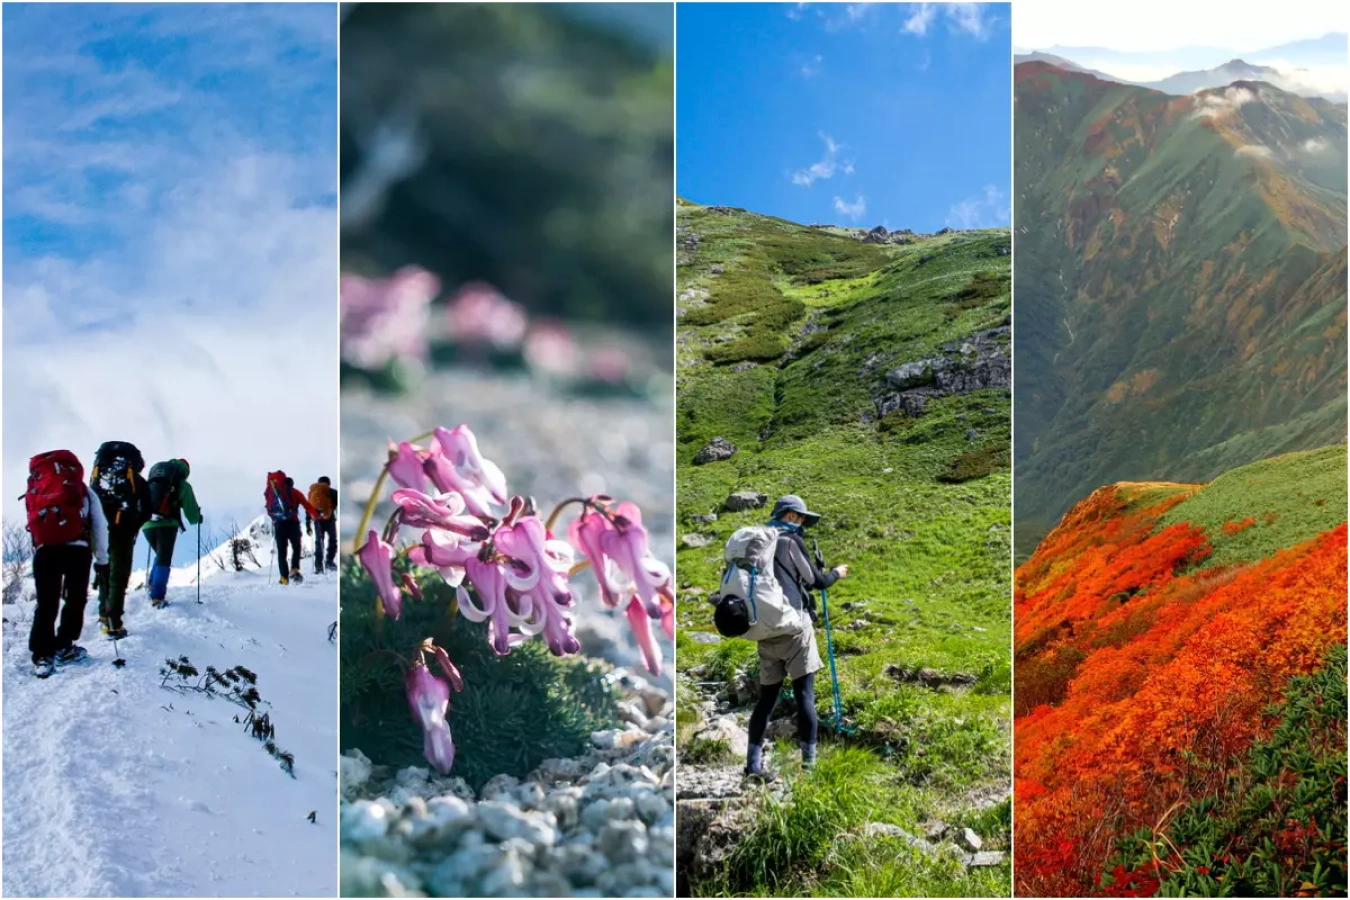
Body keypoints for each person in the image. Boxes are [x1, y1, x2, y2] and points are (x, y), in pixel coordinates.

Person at [745, 494, 848, 782]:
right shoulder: (790, 542)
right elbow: (817, 581)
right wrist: (836, 573)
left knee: (766, 700)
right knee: (804, 696)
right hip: (794, 629)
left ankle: (752, 766)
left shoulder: (759, 542)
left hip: (766, 631)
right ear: (791, 515)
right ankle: (809, 770)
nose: (802, 523)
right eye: (800, 517)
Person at [24, 450, 109, 677]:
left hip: (45, 551)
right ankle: (64, 646)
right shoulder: (84, 492)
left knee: (46, 602)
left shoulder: (36, 489)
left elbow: (33, 522)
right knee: (75, 599)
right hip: (77, 550)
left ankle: (42, 655)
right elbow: (100, 526)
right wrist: (102, 559)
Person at [89, 441, 151, 639]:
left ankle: (103, 614)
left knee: (104, 570)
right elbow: (147, 510)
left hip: (99, 530)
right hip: (122, 531)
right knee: (118, 575)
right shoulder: (137, 481)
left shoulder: (98, 477)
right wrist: (134, 525)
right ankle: (114, 623)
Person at [142, 458, 202, 609]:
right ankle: (157, 597)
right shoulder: (181, 484)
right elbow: (191, 512)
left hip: (146, 524)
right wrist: (198, 517)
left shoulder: (155, 478)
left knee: (160, 555)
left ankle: (151, 585)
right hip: (167, 525)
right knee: (164, 558)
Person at [265, 471, 318, 585]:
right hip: (293, 524)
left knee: (281, 552)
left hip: (279, 525)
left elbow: (269, 509)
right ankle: (294, 570)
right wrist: (315, 515)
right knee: (296, 547)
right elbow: (306, 505)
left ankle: (284, 578)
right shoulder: (295, 492)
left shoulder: (272, 493)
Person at [307, 476, 338, 575]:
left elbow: (308, 509)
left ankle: (319, 566)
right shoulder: (332, 492)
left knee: (319, 543)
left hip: (317, 521)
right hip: (330, 520)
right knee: (333, 540)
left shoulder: (312, 493)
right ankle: (329, 561)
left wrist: (308, 525)